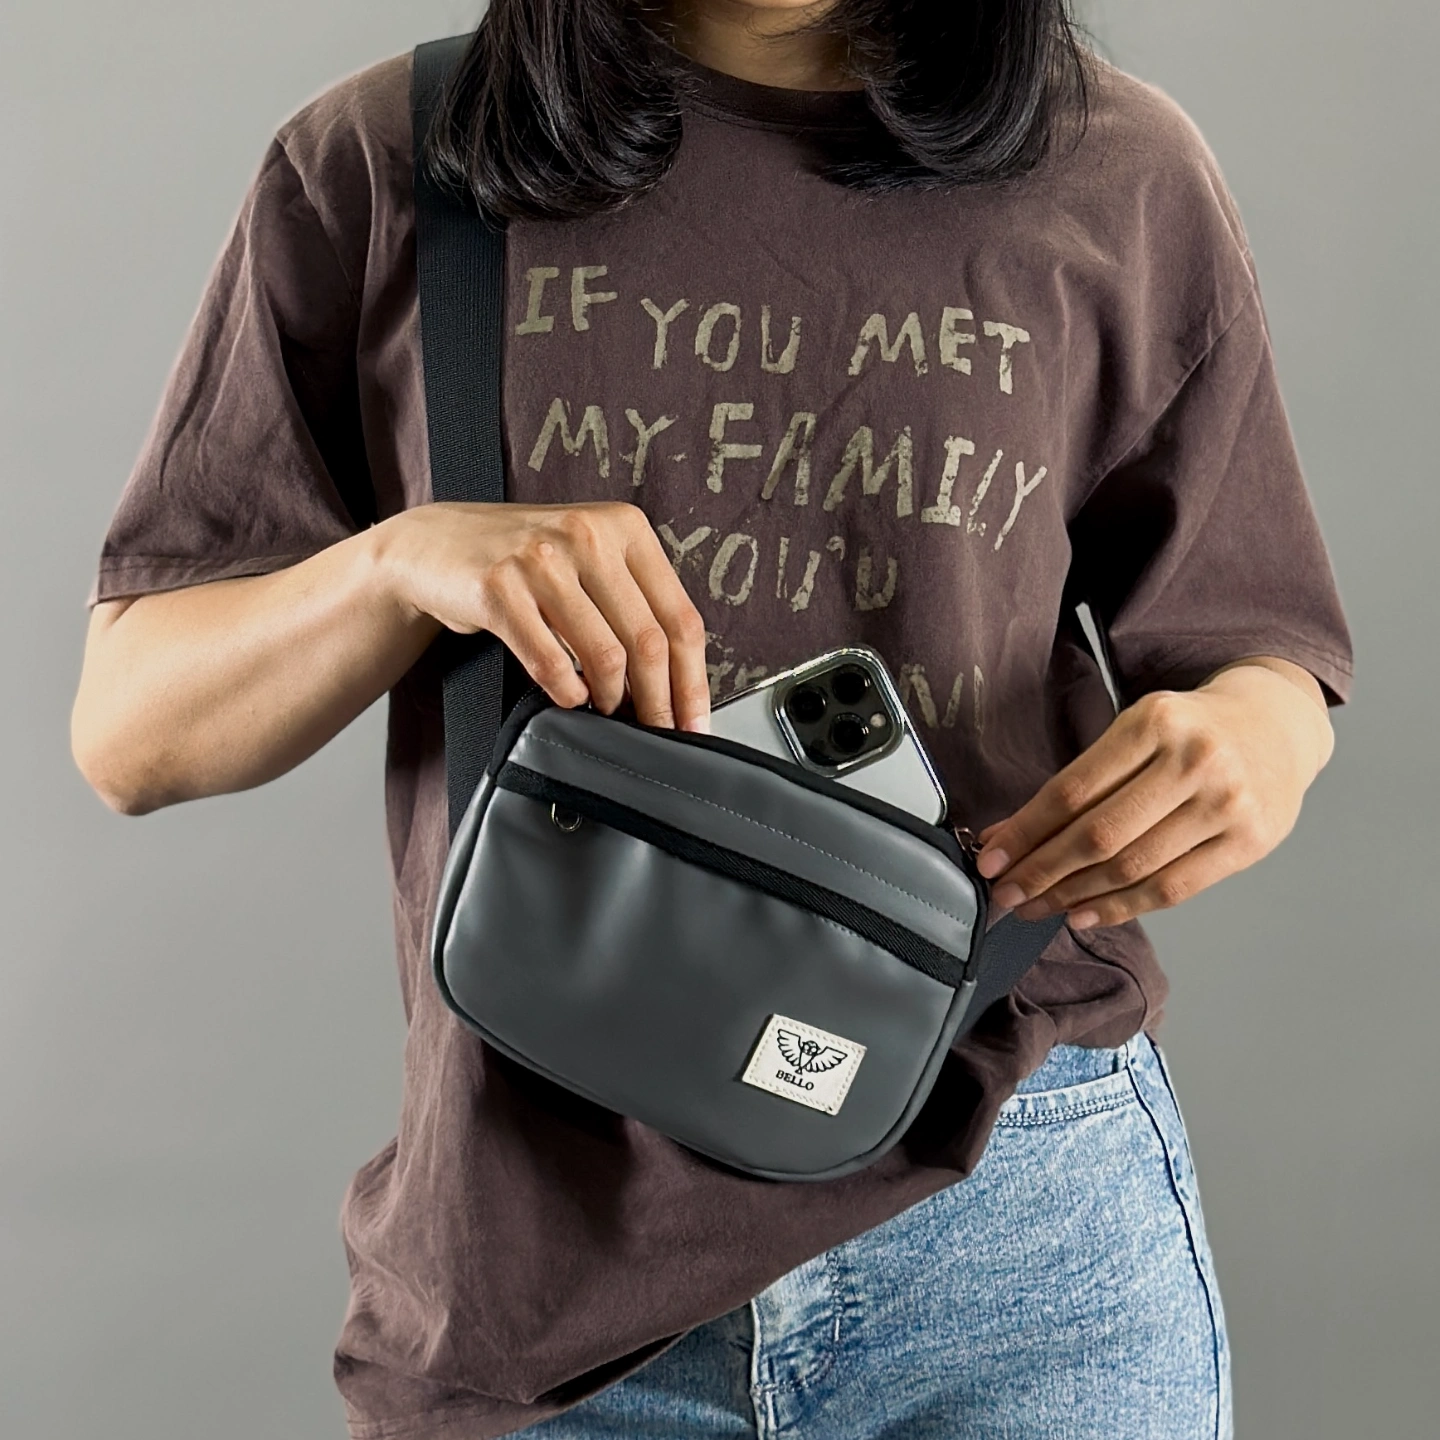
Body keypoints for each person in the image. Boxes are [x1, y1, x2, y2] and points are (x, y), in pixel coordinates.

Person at [70, 1, 1352, 1436]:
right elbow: (133, 732)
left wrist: (1263, 736)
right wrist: (396, 565)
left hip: (1019, 1219)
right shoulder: (389, 159)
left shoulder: (1118, 169)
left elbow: (1261, 653)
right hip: (542, 1251)